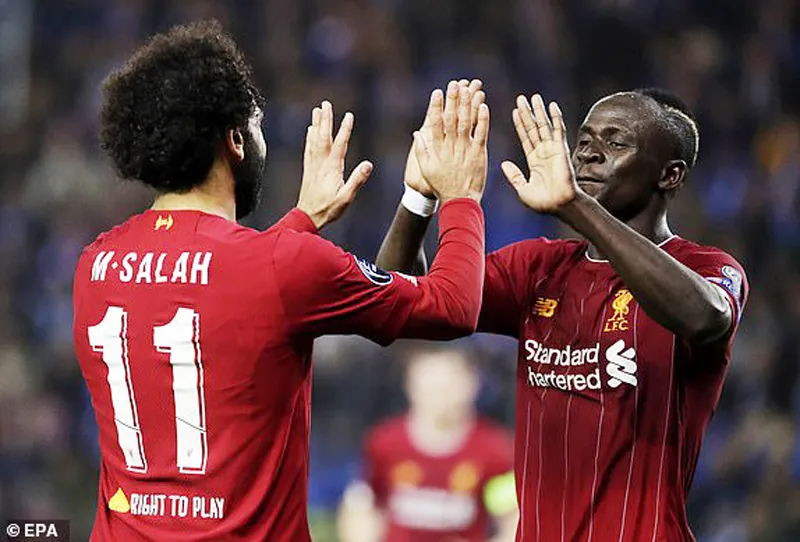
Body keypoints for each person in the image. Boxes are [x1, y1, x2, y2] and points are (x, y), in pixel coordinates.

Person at [72, 21, 491, 541]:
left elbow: (213, 287)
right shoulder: (282, 265)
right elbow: (452, 307)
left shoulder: (95, 264)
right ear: (235, 141)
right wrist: (459, 196)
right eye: (257, 126)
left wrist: (302, 221)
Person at [372, 88, 749, 540]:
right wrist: (419, 198)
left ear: (669, 175)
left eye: (615, 142)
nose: (588, 153)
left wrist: (574, 205)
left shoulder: (707, 268)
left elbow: (704, 318)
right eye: (584, 140)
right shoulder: (537, 268)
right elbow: (400, 305)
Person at [338, 344, 517, 542]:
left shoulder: (496, 451)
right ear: (410, 385)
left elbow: (513, 521)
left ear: (472, 384)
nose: (439, 395)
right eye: (430, 385)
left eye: (447, 385)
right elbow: (362, 505)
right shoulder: (384, 443)